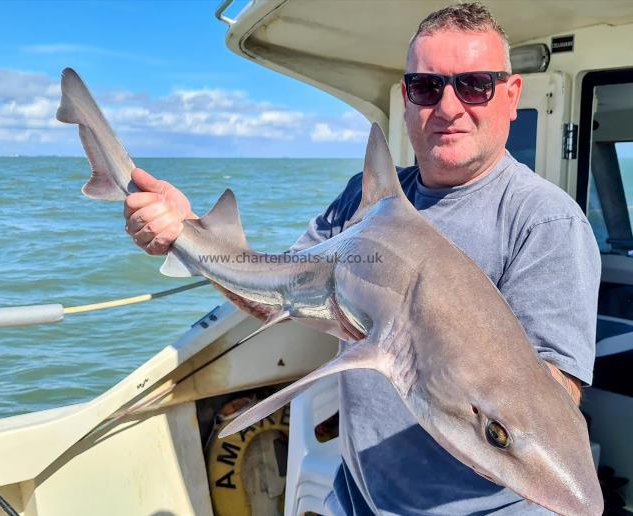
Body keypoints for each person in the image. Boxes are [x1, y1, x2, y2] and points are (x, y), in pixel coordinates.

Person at [124, 3, 600, 514]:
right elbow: (272, 294)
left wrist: (402, 344)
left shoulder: (545, 221)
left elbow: (555, 393)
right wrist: (184, 231)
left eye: (475, 85)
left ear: (511, 97)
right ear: (406, 98)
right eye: (426, 87)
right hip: (355, 496)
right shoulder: (361, 200)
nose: (449, 107)